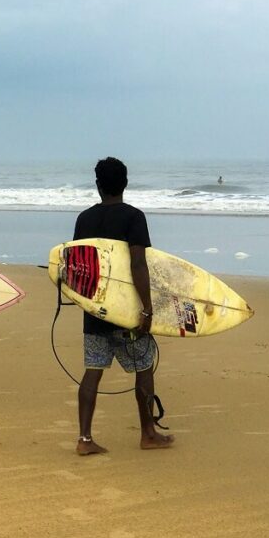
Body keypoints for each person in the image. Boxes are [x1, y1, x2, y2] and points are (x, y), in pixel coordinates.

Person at [71, 157, 174, 455]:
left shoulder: (84, 219)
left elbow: (79, 265)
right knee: (144, 367)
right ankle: (148, 434)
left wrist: (88, 304)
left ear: (97, 185)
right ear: (126, 183)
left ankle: (85, 439)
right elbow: (138, 264)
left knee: (93, 369)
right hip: (125, 312)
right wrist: (147, 308)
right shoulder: (133, 217)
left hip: (95, 309)